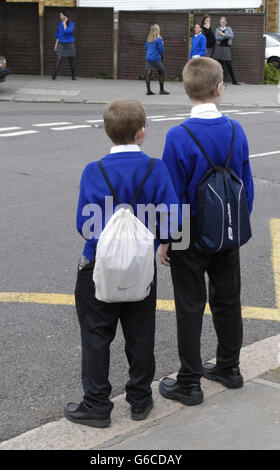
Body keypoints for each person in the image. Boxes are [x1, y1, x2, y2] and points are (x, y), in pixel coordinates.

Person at [64, 99, 180, 427]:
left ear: (107, 131)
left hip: (99, 266)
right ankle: (140, 400)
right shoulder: (156, 169)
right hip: (140, 268)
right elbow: (171, 219)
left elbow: (84, 225)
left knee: (96, 336)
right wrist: (162, 245)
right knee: (140, 334)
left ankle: (97, 405)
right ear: (142, 132)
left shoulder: (93, 171)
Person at [158, 58, 254, 406]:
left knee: (190, 304)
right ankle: (229, 367)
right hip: (228, 224)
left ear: (187, 90)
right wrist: (238, 222)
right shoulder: (235, 130)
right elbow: (246, 183)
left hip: (190, 230)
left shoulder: (177, 136)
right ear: (219, 89)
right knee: (228, 299)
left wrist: (166, 238)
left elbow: (172, 194)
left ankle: (189, 382)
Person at [213, 16, 239, 85]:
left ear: (226, 22)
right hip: (219, 48)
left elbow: (232, 36)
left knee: (229, 65)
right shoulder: (217, 29)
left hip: (226, 48)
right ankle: (220, 81)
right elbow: (217, 38)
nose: (222, 23)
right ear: (219, 23)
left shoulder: (229, 28)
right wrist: (225, 36)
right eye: (221, 22)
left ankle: (234, 81)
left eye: (223, 22)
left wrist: (223, 34)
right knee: (220, 66)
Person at [145, 24, 169, 95]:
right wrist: (162, 44)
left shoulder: (148, 39)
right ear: (157, 30)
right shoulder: (159, 39)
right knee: (161, 72)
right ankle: (161, 90)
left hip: (148, 58)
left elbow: (146, 48)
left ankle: (148, 91)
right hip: (156, 59)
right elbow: (161, 50)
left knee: (149, 74)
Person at [52, 10, 76, 81]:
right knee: (59, 59)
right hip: (61, 44)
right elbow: (58, 35)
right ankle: (54, 76)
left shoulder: (71, 24)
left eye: (61, 15)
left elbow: (67, 31)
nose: (59, 16)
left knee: (71, 60)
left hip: (69, 44)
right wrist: (56, 45)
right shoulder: (59, 24)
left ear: (65, 16)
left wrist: (65, 23)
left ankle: (73, 76)